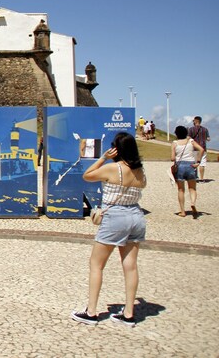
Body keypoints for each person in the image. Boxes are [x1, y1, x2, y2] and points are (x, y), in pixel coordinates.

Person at [71, 132, 146, 328]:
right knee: (130, 266)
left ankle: (92, 311)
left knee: (96, 264)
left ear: (116, 149)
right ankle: (129, 313)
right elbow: (142, 185)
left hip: (116, 217)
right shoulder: (140, 171)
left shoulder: (113, 168)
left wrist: (104, 158)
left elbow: (87, 175)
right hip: (136, 216)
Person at [171, 125, 204, 218]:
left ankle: (182, 211)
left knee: (181, 190)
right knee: (192, 188)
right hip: (190, 165)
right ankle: (193, 203)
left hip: (180, 165)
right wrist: (198, 162)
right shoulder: (191, 141)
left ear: (176, 134)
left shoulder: (174, 143)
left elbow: (172, 158)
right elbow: (201, 149)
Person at [188, 116, 211, 181]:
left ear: (196, 121)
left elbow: (188, 138)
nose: (193, 122)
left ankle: (195, 177)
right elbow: (208, 139)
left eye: (193, 120)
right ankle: (202, 178)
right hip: (203, 148)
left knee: (194, 162)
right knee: (202, 164)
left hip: (194, 148)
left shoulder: (191, 129)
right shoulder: (205, 129)